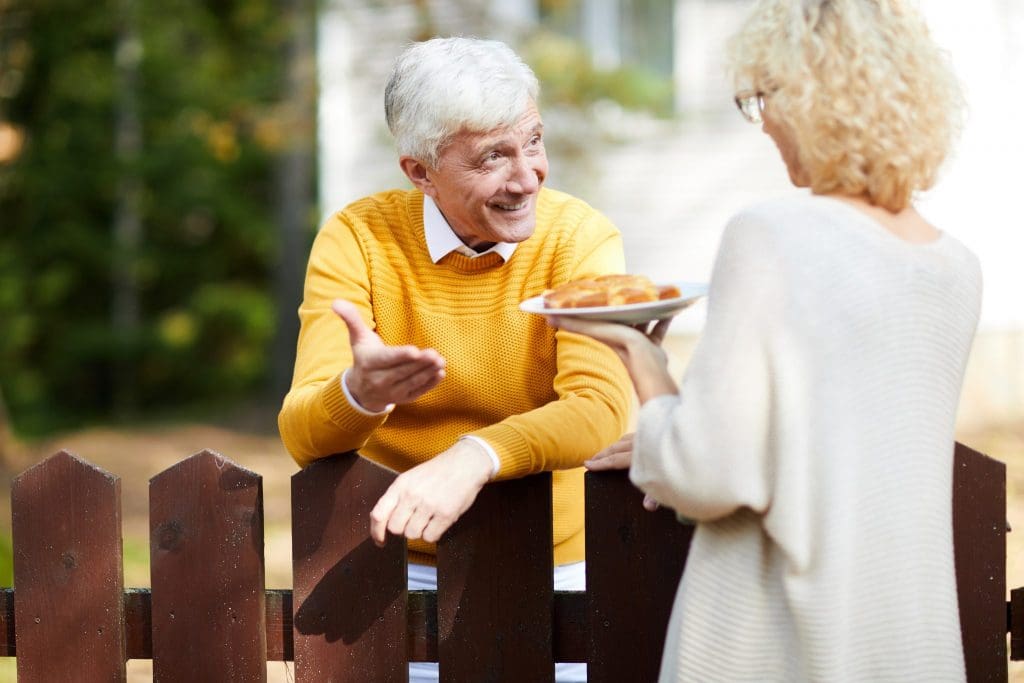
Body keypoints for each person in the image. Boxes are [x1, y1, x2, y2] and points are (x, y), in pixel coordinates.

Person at [549, 1, 980, 680]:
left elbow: (704, 473)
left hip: (780, 649)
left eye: (762, 97)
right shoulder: (955, 269)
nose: (765, 122)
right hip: (908, 649)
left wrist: (643, 359)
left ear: (810, 99)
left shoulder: (771, 236)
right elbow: (836, 447)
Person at [278, 36, 633, 681]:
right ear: (420, 172)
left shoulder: (581, 238)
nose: (527, 176)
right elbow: (303, 433)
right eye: (493, 156)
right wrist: (359, 393)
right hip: (401, 573)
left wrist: (475, 456)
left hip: (560, 563)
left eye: (532, 141)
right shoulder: (358, 237)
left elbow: (599, 409)